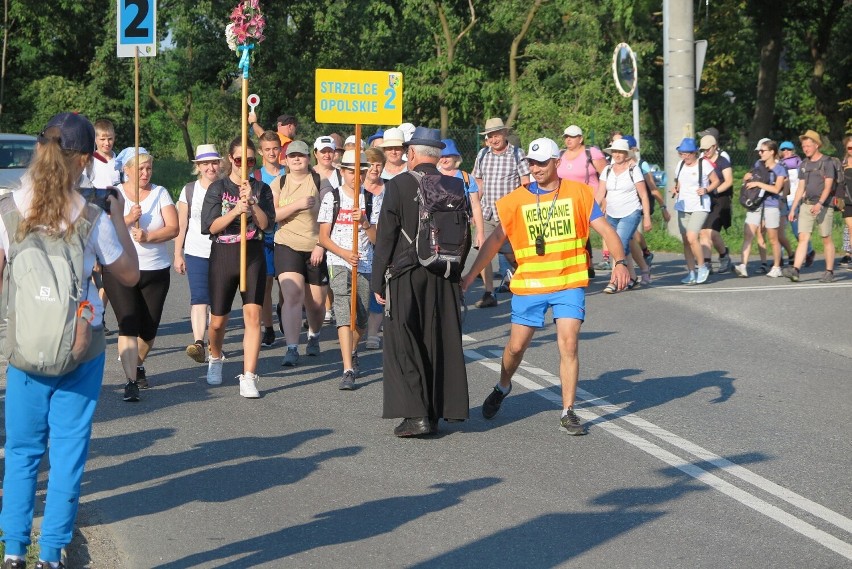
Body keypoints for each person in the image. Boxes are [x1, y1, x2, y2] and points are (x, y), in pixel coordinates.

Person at [0, 113, 139, 569]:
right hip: (81, 349)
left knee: (21, 453)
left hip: (25, 351)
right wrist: (119, 218)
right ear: (82, 160)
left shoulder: (8, 209)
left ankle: (15, 549)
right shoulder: (92, 216)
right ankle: (53, 553)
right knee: (67, 454)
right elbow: (129, 274)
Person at [461, 137, 630, 435]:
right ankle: (502, 386)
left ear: (556, 162)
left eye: (541, 162)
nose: (536, 168)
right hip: (530, 284)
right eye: (531, 163)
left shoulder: (578, 194)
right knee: (515, 348)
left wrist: (620, 261)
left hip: (568, 281)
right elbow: (493, 243)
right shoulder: (516, 201)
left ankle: (568, 411)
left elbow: (606, 229)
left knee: (568, 342)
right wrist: (469, 278)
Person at [372, 127, 469, 437]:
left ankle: (416, 415)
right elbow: (463, 235)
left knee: (404, 340)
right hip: (444, 274)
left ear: (412, 154)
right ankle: (440, 411)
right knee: (438, 339)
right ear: (438, 156)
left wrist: (377, 281)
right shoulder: (455, 185)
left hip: (406, 274)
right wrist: (456, 271)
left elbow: (386, 237)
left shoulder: (398, 185)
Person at [102, 147, 178, 401]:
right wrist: (126, 219)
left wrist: (149, 236)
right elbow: (100, 228)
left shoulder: (160, 194)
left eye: (149, 168)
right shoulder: (113, 195)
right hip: (120, 268)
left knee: (149, 328)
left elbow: (174, 228)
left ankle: (136, 362)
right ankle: (130, 381)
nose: (146, 173)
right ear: (126, 170)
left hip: (155, 269)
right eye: (140, 168)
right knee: (128, 323)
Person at [201, 137, 275, 397]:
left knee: (253, 316)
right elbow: (209, 227)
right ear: (230, 160)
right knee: (219, 322)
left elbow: (266, 225)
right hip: (223, 253)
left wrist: (252, 204)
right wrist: (235, 211)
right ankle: (215, 356)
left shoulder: (262, 189)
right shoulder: (217, 188)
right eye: (240, 159)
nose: (245, 164)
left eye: (251, 160)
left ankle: (249, 375)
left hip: (252, 253)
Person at [317, 149, 376, 390]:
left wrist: (364, 222)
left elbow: (377, 237)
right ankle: (347, 369)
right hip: (339, 262)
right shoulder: (332, 197)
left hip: (365, 263)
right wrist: (342, 253)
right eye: (351, 171)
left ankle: (353, 350)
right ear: (343, 172)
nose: (356, 176)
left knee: (361, 317)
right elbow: (323, 236)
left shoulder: (371, 199)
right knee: (343, 311)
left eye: (360, 172)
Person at [271, 140, 331, 366]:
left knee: (316, 304)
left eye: (302, 156)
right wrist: (296, 205)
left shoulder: (319, 180)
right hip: (287, 244)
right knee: (292, 296)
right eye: (292, 156)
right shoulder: (280, 182)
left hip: (316, 245)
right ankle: (292, 348)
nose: (297, 159)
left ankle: (314, 336)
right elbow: (272, 216)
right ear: (285, 160)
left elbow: (329, 212)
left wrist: (321, 244)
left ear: (309, 158)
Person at [471, 117, 530, 308]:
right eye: (489, 135)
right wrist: (475, 208)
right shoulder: (482, 154)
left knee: (513, 255)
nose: (493, 139)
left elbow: (525, 183)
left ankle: (527, 280)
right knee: (484, 252)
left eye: (496, 134)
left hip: (511, 215)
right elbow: (478, 183)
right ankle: (489, 292)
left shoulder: (517, 154)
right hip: (488, 213)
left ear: (505, 134)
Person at [173, 144, 222, 363]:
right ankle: (199, 343)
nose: (210, 167)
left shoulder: (227, 186)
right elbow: (181, 225)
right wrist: (177, 254)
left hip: (223, 250)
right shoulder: (189, 190)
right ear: (198, 167)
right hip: (195, 250)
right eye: (205, 164)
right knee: (199, 298)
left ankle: (214, 343)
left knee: (218, 301)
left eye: (213, 162)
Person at [596, 138, 651, 291]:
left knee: (618, 242)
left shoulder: (634, 170)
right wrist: (590, 211)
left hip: (631, 212)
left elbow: (644, 195)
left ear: (627, 154)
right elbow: (600, 193)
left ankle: (614, 281)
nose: (618, 155)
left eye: (621, 152)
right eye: (615, 152)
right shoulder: (607, 170)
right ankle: (633, 277)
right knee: (621, 245)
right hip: (612, 214)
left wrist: (646, 216)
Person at [784, 130, 837, 283]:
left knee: (826, 238)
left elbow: (828, 186)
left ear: (816, 145)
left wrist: (820, 203)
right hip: (807, 205)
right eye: (803, 146)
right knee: (803, 238)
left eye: (808, 145)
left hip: (824, 206)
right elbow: (800, 188)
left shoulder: (827, 162)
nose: (805, 148)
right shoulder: (804, 164)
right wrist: (793, 208)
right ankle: (796, 270)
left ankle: (829, 271)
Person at [734, 139, 787, 278]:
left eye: (762, 151)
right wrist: (746, 178)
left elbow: (776, 189)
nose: (760, 153)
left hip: (771, 205)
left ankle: (776, 267)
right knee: (748, 233)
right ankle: (743, 265)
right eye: (759, 151)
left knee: (772, 238)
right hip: (756, 203)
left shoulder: (780, 168)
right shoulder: (758, 164)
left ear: (771, 152)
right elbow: (752, 178)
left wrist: (758, 183)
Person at [671, 137, 720, 285]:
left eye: (687, 153)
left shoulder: (703, 164)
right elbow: (679, 182)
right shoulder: (680, 165)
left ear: (694, 153)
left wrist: (706, 189)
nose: (684, 156)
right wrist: (676, 188)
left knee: (692, 237)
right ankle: (691, 272)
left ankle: (702, 267)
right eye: (681, 153)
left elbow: (716, 181)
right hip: (683, 206)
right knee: (686, 241)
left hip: (700, 206)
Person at [255, 131, 283, 348]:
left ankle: (284, 310)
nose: (272, 153)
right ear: (260, 151)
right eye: (267, 149)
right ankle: (269, 327)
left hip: (286, 237)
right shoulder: (256, 176)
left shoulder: (290, 171)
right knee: (264, 285)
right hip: (263, 238)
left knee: (288, 284)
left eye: (275, 148)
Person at [438, 138, 485, 251]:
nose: (444, 159)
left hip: (460, 229)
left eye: (448, 156)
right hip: (437, 229)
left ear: (455, 157)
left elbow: (476, 206)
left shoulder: (466, 178)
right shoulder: (432, 177)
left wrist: (480, 233)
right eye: (442, 156)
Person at [697, 134, 734, 274]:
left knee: (711, 232)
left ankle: (724, 257)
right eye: (703, 150)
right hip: (706, 200)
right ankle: (708, 263)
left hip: (720, 199)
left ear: (714, 147)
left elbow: (729, 181)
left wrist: (714, 190)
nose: (705, 152)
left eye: (707, 149)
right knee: (703, 232)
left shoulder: (723, 161)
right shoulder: (701, 161)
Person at [363, 147, 387, 350]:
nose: (375, 168)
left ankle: (372, 334)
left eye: (378, 164)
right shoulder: (355, 189)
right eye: (371, 163)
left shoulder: (388, 189)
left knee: (377, 290)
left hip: (381, 247)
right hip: (358, 246)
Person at [779, 141, 811, 266]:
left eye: (789, 149)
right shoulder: (779, 164)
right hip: (782, 199)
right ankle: (780, 257)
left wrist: (804, 193)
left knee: (796, 229)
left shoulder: (800, 163)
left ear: (793, 150)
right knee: (779, 230)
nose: (786, 152)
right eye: (783, 149)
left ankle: (808, 252)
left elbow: (805, 181)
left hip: (794, 199)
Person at [90, 119, 119, 188]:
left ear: (114, 137)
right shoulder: (88, 161)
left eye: (110, 139)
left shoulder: (120, 160)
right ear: (95, 139)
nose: (107, 143)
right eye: (102, 139)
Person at [838, 135, 852, 266]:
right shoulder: (844, 163)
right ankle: (849, 254)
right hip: (848, 199)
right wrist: (839, 199)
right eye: (849, 147)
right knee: (850, 227)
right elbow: (841, 183)